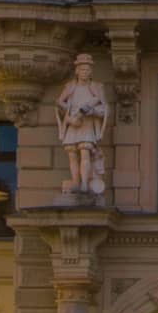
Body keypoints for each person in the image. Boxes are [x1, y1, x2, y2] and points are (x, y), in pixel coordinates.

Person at [52, 52, 112, 203]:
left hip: (87, 123)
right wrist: (70, 113)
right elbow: (59, 102)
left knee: (85, 152)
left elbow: (104, 108)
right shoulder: (70, 87)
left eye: (87, 70)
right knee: (72, 153)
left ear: (90, 72)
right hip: (73, 123)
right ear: (77, 71)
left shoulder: (97, 87)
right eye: (82, 70)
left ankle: (85, 184)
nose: (85, 72)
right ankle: (76, 183)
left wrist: (91, 111)